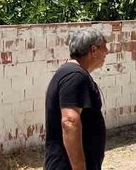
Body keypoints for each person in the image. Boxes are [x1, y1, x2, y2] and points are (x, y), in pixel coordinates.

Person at [45, 28, 108, 170]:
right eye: (104, 47)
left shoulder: (72, 73)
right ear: (93, 50)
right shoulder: (75, 76)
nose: (107, 52)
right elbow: (70, 121)